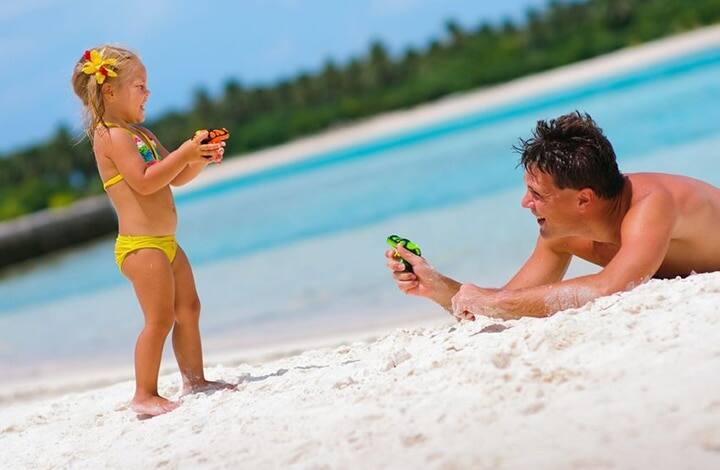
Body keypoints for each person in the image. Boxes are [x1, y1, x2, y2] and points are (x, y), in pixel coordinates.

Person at [386, 111, 720, 321]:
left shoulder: (651, 206)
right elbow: (511, 300)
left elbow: (610, 287)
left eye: (537, 195)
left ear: (583, 199)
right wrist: (439, 287)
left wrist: (496, 301)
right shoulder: (562, 233)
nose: (525, 203)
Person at [71, 46, 233, 417]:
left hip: (166, 243)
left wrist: (199, 158)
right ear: (110, 91)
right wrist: (183, 153)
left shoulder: (139, 134)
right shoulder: (110, 136)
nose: (148, 93)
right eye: (140, 86)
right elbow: (144, 182)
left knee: (189, 308)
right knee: (159, 320)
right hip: (141, 246)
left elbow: (174, 176)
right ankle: (144, 394)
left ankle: (195, 379)